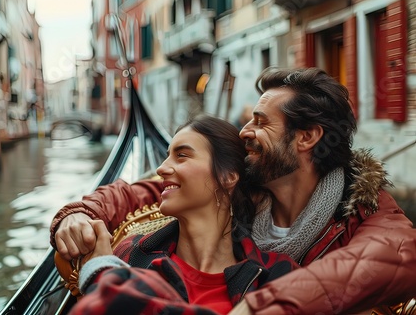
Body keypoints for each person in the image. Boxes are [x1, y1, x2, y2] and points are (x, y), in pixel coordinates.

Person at [51, 67, 416, 314]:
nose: (243, 132)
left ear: (306, 137)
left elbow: (397, 256)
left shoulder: (363, 207)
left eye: (260, 122)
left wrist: (261, 306)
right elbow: (152, 189)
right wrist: (80, 214)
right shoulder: (245, 181)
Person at [68, 115, 297, 314]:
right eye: (168, 155)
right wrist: (77, 212)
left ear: (228, 177)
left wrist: (102, 274)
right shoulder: (132, 253)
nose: (161, 169)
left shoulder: (276, 274)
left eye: (182, 156)